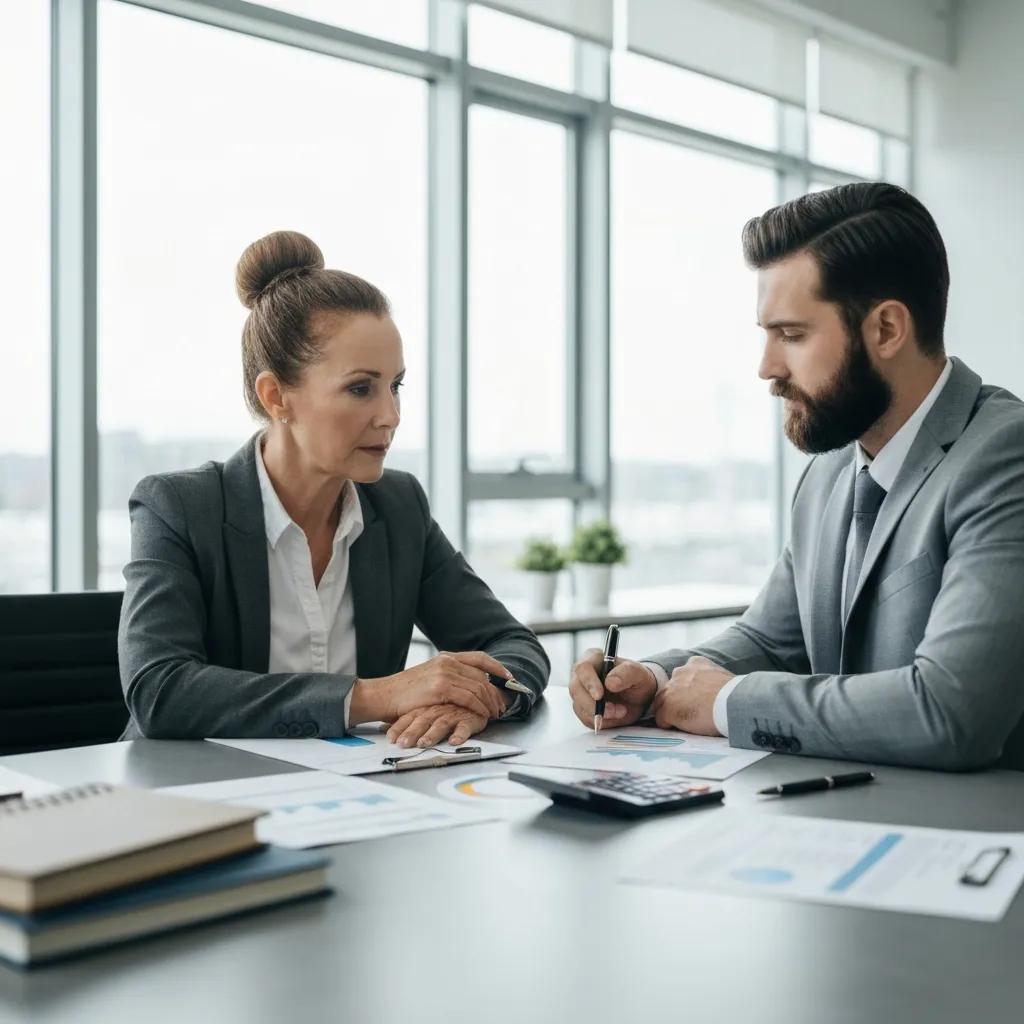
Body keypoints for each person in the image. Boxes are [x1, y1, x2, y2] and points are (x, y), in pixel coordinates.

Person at [570, 183, 1024, 771]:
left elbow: (949, 712)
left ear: (886, 330)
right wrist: (654, 678)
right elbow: (769, 641)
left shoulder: (1004, 456)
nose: (766, 368)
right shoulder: (829, 472)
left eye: (792, 335)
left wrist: (728, 701)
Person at [119, 229, 549, 745]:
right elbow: (160, 690)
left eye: (396, 387)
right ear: (277, 396)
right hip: (198, 807)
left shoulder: (399, 506)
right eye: (360, 388)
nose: (389, 416)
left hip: (349, 794)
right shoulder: (180, 507)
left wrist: (481, 699)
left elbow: (511, 644)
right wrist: (376, 696)